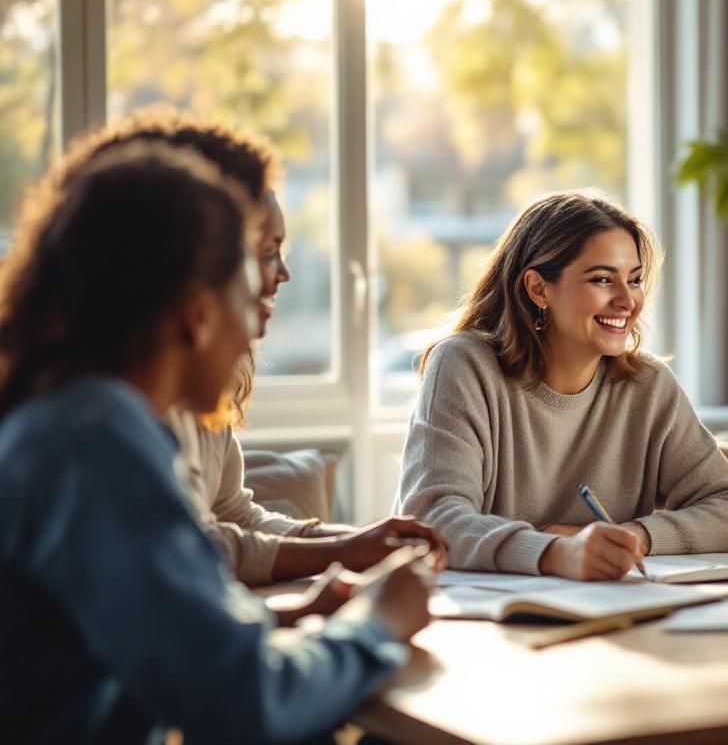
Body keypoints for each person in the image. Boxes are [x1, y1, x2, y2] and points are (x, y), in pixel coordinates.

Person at [0, 142, 434, 742]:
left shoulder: (65, 418)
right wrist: (377, 626)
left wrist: (293, 612)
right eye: (247, 282)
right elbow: (248, 702)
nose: (257, 317)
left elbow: (141, 634)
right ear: (195, 314)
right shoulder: (99, 446)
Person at [60, 109, 446, 587]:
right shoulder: (102, 427)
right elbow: (191, 554)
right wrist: (357, 597)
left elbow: (228, 515)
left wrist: (353, 543)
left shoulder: (189, 390)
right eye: (262, 254)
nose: (279, 275)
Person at [398, 190, 728, 580]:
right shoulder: (464, 366)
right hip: (482, 622)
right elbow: (432, 520)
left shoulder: (648, 385)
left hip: (606, 613)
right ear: (539, 289)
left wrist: (630, 537)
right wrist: (556, 553)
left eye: (634, 279)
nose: (628, 301)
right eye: (603, 279)